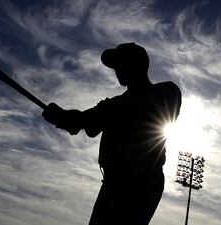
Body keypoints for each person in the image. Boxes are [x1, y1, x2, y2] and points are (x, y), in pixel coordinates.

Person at [42, 43, 182, 225]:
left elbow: (92, 118)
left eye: (121, 63)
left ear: (137, 64)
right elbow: (83, 120)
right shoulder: (114, 105)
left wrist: (81, 118)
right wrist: (63, 117)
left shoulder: (166, 91)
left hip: (140, 178)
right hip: (116, 179)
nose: (117, 70)